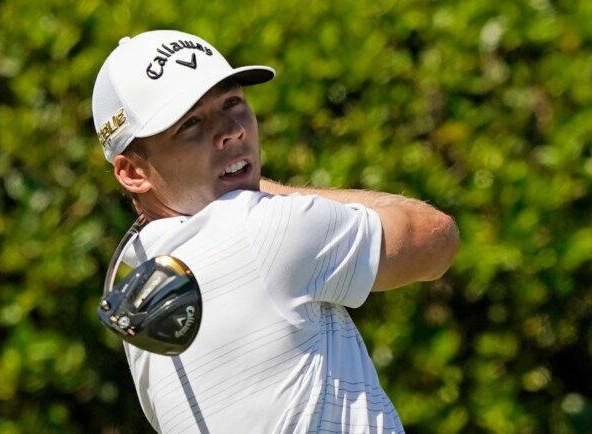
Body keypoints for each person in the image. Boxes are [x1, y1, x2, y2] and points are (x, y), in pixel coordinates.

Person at [92, 29, 459, 434]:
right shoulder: (265, 228)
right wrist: (260, 190)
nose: (232, 130)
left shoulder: (139, 292)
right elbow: (436, 239)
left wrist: (233, 181)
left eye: (232, 102)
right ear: (132, 172)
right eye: (191, 123)